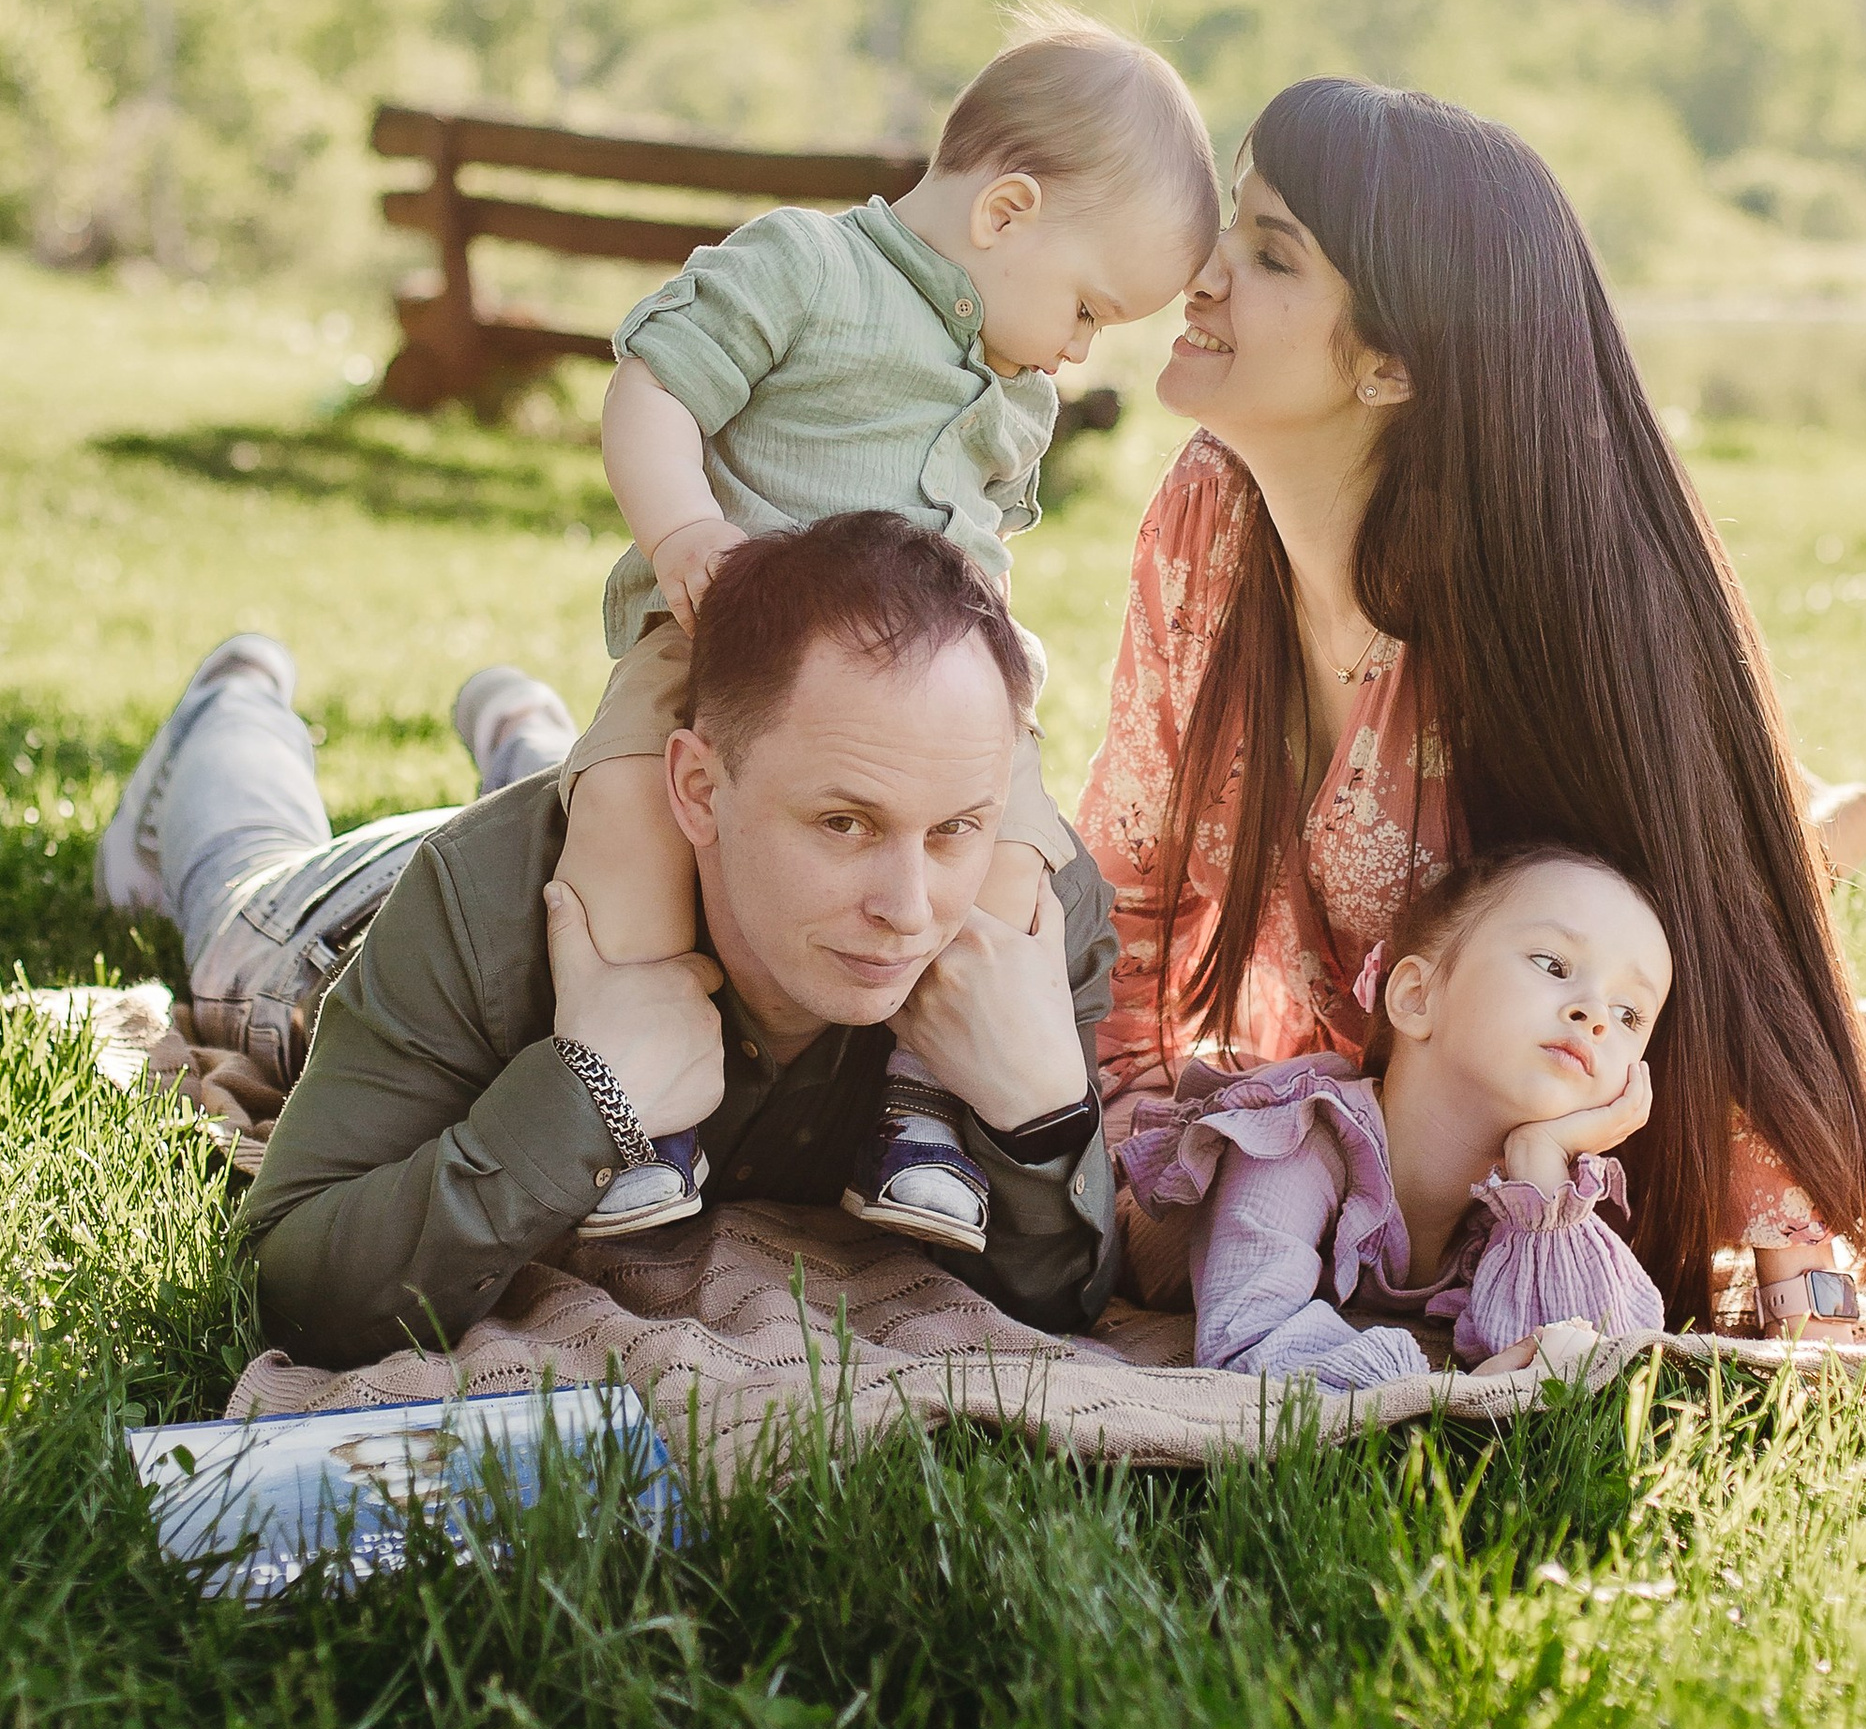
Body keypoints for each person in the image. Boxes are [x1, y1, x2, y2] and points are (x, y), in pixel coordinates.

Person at [1080, 80, 1866, 1337]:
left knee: (1754, 858)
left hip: (1513, 1132)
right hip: (1358, 1106)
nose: (1202, 273)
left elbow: (1716, 936)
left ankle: (1811, 829)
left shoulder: (1545, 607)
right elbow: (1127, 869)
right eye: (1227, 227)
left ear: (1391, 363)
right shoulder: (1207, 513)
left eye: (1268, 251)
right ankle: (1814, 818)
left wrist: (1802, 1267)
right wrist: (1130, 1125)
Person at [97, 517, 1121, 1372]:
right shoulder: (477, 904)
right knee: (243, 871)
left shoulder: (1023, 922)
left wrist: (1040, 1117)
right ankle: (232, 700)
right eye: (843, 824)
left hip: (629, 823)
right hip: (339, 925)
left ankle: (524, 729)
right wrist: (582, 1099)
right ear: (696, 787)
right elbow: (295, 1283)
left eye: (952, 829)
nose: (909, 906)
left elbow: (1062, 1293)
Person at [547, 15, 1217, 1253]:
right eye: (1087, 308)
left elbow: (983, 557)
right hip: (720, 639)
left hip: (926, 708)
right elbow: (651, 388)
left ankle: (921, 1107)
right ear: (1005, 210)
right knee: (629, 809)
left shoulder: (1013, 393)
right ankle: (644, 1108)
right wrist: (689, 530)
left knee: (1011, 856)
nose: (1080, 348)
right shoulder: (806, 266)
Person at [1120, 847, 1670, 1391]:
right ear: (1415, 997)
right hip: (1084, 1227)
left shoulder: (1520, 1205)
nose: (1595, 1014)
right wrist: (1434, 1395)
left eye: (1629, 1014)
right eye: (1554, 965)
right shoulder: (1297, 1142)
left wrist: (1543, 1160)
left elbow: (1598, 1360)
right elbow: (1248, 1345)